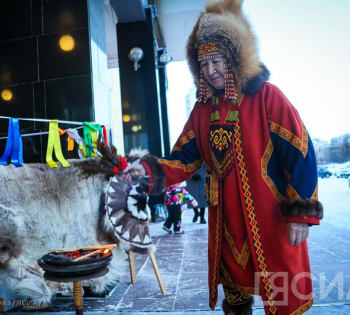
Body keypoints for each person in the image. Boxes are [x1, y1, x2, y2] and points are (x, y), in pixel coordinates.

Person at [100, 0, 323, 314]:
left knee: (284, 297)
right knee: (235, 300)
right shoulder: (202, 111)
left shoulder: (267, 97)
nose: (211, 70)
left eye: (217, 61)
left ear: (233, 59)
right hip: (228, 227)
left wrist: (301, 214)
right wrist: (141, 173)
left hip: (272, 221)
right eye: (203, 64)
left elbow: (301, 152)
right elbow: (182, 160)